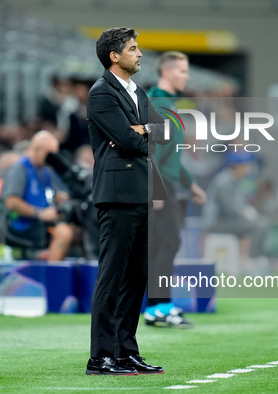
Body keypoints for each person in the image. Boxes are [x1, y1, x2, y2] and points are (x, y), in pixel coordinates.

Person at [86, 27, 172, 375]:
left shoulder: (136, 91)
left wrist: (140, 132)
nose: (140, 54)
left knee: (136, 276)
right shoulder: (101, 93)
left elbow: (165, 132)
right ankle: (101, 357)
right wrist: (138, 133)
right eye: (133, 49)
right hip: (118, 195)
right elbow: (126, 139)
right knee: (111, 277)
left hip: (141, 191)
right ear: (114, 56)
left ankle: (125, 352)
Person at [145, 51, 207, 328]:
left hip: (168, 182)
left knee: (162, 245)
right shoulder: (158, 103)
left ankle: (157, 308)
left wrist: (191, 185)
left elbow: (173, 157)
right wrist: (155, 189)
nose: (186, 76)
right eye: (182, 71)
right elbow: (152, 152)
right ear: (167, 73)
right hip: (160, 185)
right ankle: (160, 308)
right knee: (167, 244)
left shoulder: (169, 103)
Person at [2, 131, 73, 261]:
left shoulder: (45, 170)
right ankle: (52, 274)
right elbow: (11, 202)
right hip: (25, 225)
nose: (53, 159)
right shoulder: (19, 169)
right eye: (50, 155)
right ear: (38, 150)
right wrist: (39, 213)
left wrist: (59, 198)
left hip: (42, 225)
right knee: (63, 232)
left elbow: (49, 194)